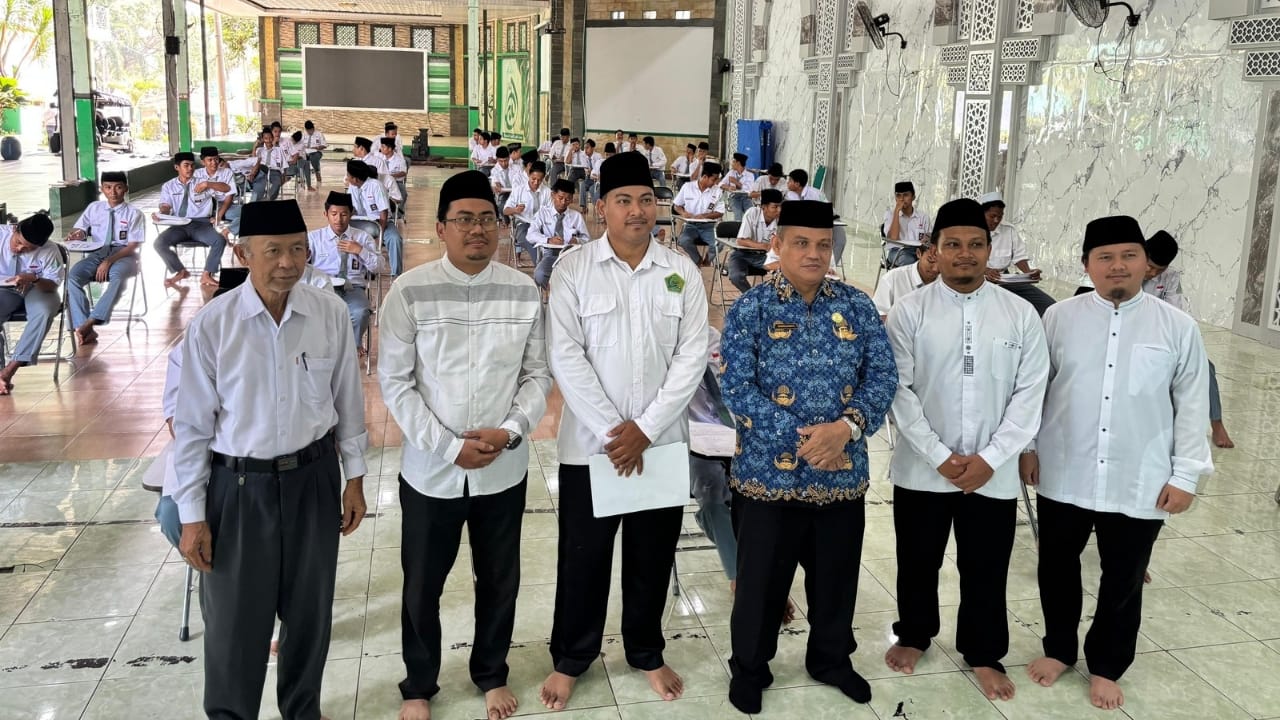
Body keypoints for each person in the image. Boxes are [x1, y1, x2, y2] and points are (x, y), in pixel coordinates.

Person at [171, 199, 369, 720]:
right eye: (274, 251)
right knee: (236, 622)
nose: (288, 262)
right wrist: (191, 516)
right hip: (239, 489)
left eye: (298, 250)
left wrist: (354, 477)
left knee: (309, 616)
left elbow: (348, 400)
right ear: (244, 254)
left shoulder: (328, 313)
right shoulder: (214, 325)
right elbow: (191, 429)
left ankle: (302, 711)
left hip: (313, 480)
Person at [1021, 215, 1213, 711]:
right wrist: (1029, 447)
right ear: (1086, 264)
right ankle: (1059, 649)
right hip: (1065, 467)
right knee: (1056, 567)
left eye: (1129, 255)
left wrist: (1186, 474)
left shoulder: (1177, 327)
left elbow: (1192, 405)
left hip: (1140, 475)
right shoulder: (1058, 318)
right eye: (1104, 257)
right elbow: (1036, 389)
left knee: (1124, 576)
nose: (1117, 266)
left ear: (1147, 264)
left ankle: (1107, 664)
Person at [379, 170, 552, 720]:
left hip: (502, 469)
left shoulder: (523, 291)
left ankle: (491, 673)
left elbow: (537, 374)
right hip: (431, 473)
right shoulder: (409, 291)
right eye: (464, 220)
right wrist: (447, 446)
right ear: (440, 229)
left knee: (499, 580)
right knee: (421, 586)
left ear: (499, 226)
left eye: (486, 219)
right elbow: (396, 383)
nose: (477, 229)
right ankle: (418, 685)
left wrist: (511, 430)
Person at [541, 151, 709, 710]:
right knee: (583, 558)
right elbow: (565, 356)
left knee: (651, 557)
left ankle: (645, 652)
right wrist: (618, 431)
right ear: (601, 208)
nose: (637, 210)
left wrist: (648, 428)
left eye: (645, 199)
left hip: (660, 447)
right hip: (592, 448)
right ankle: (572, 658)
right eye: (623, 200)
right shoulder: (573, 270)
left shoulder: (680, 271)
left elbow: (691, 357)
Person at [720, 200, 898, 715]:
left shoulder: (857, 306)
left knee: (836, 581)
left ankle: (831, 660)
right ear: (777, 245)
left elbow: (882, 376)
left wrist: (845, 430)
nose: (814, 254)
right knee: (760, 586)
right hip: (767, 479)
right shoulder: (752, 308)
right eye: (801, 243)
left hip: (841, 477)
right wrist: (809, 441)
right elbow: (737, 388)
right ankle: (750, 667)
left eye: (823, 244)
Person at [882, 198, 1050, 701]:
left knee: (986, 567)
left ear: (989, 249)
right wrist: (938, 454)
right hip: (922, 467)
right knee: (918, 560)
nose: (964, 254)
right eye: (952, 244)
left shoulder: (1020, 314)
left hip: (992, 471)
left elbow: (1030, 393)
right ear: (933, 249)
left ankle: (984, 651)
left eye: (975, 244)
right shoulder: (910, 312)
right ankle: (914, 634)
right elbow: (898, 390)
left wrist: (992, 458)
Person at [1143, 230, 1233, 449]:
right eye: (1150, 266)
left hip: (1159, 335)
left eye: (1159, 270)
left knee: (1204, 365)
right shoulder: (1126, 269)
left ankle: (1217, 423)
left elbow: (1176, 313)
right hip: (1129, 335)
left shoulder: (1171, 277)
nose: (1152, 273)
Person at [64, 171, 145, 345]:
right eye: (108, 187)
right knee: (72, 277)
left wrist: (109, 261)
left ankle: (91, 321)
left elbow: (133, 245)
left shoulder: (134, 213)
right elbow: (81, 229)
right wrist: (77, 234)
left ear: (126, 189)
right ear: (102, 189)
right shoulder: (94, 208)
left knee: (117, 277)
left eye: (118, 187)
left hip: (125, 254)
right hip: (97, 252)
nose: (113, 192)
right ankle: (83, 326)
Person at [307, 192, 384, 350]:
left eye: (343, 214)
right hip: (322, 287)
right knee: (311, 313)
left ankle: (352, 347)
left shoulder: (362, 238)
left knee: (361, 312)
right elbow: (301, 267)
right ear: (326, 214)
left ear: (351, 214)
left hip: (352, 287)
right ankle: (323, 349)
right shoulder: (314, 238)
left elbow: (379, 267)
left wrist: (360, 251)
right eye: (334, 214)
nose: (338, 219)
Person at [0, 213, 60, 395]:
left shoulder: (49, 250)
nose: (19, 249)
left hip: (38, 287)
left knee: (44, 310)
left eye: (28, 248)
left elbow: (52, 284)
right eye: (18, 242)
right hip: (3, 289)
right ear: (15, 229)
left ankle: (9, 370)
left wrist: (33, 279)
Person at [154, 151, 227, 288]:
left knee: (219, 240)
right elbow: (165, 206)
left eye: (192, 165)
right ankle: (180, 271)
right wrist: (161, 213)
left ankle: (207, 274)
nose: (190, 168)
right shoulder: (168, 186)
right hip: (179, 225)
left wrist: (208, 184)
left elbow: (226, 188)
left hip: (201, 224)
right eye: (186, 165)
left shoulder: (202, 182)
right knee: (159, 243)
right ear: (177, 167)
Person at [978, 191, 1056, 317]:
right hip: (978, 281)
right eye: (992, 216)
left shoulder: (1008, 230)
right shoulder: (969, 232)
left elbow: (1019, 256)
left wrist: (1028, 273)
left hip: (1004, 280)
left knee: (1049, 306)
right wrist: (986, 271)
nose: (996, 220)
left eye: (1000, 216)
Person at [528, 178, 590, 292]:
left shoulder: (576, 216)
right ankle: (557, 292)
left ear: (572, 199)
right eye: (560, 198)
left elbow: (586, 239)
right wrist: (548, 240)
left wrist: (577, 240)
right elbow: (530, 235)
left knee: (586, 277)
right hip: (550, 254)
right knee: (540, 275)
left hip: (571, 256)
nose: (563, 202)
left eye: (567, 199)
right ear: (553, 195)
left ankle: (564, 293)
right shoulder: (543, 213)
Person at [346, 159, 405, 276]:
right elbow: (351, 208)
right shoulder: (352, 187)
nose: (347, 178)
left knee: (395, 239)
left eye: (348, 175)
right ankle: (353, 272)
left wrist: (380, 234)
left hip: (380, 223)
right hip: (360, 224)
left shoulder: (376, 185)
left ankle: (396, 275)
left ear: (355, 179)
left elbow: (383, 212)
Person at [727, 188, 782, 293]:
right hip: (742, 254)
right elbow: (741, 241)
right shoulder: (752, 213)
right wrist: (764, 246)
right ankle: (752, 297)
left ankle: (776, 297)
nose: (779, 210)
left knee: (786, 271)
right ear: (764, 207)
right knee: (736, 276)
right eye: (775, 207)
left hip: (765, 256)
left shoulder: (782, 219)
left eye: (780, 206)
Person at [872, 240, 939, 320]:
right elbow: (876, 317)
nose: (936, 269)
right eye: (931, 261)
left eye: (941, 263)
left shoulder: (947, 283)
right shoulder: (892, 279)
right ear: (919, 253)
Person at [673, 162, 725, 265]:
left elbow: (720, 212)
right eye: (713, 179)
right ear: (705, 177)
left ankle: (707, 259)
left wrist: (704, 216)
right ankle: (697, 259)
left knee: (719, 244)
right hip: (690, 225)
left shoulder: (717, 191)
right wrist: (683, 212)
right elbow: (676, 205)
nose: (715, 182)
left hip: (708, 226)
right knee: (683, 241)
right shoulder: (687, 187)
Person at [503, 161, 550, 267]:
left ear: (543, 178)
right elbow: (505, 210)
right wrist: (515, 210)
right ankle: (541, 268)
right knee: (531, 240)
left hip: (542, 226)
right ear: (529, 175)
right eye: (533, 179)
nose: (536, 182)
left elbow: (551, 212)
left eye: (539, 180)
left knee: (554, 240)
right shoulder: (519, 190)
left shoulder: (547, 192)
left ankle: (546, 268)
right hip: (523, 226)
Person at [192, 146, 239, 239]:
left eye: (216, 159)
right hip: (203, 210)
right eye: (210, 160)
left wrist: (219, 215)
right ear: (203, 162)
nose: (214, 162)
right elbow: (194, 196)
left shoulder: (227, 172)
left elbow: (229, 196)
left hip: (225, 207)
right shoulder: (196, 174)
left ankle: (226, 231)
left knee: (250, 214)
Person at [883, 181, 930, 267]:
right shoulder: (890, 215)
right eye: (898, 195)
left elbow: (930, 237)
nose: (901, 199)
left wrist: (927, 239)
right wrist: (896, 212)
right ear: (895, 198)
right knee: (908, 260)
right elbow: (893, 237)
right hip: (897, 251)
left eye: (905, 195)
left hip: (918, 251)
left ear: (913, 197)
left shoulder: (923, 217)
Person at [247, 127, 286, 201]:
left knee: (277, 182)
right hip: (262, 172)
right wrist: (254, 147)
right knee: (259, 186)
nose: (268, 140)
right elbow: (253, 161)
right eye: (266, 138)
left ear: (273, 138)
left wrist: (284, 176)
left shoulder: (279, 150)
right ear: (262, 139)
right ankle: (254, 202)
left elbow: (284, 165)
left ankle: (267, 200)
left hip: (274, 171)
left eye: (270, 138)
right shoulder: (259, 150)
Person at [721, 153, 756, 220]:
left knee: (751, 214)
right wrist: (728, 187)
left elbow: (749, 189)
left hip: (746, 197)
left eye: (733, 162)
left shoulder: (750, 175)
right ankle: (738, 226)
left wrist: (736, 182)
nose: (732, 164)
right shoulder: (731, 173)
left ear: (738, 163)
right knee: (738, 214)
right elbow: (721, 184)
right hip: (734, 197)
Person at [381, 136, 410, 211]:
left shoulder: (399, 160)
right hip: (381, 182)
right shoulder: (379, 158)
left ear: (390, 149)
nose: (381, 149)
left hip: (396, 182)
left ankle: (398, 212)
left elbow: (403, 172)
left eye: (383, 147)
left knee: (403, 193)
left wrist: (391, 176)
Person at [300, 120, 327, 190]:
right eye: (308, 131)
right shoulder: (303, 134)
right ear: (306, 129)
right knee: (301, 160)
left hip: (316, 152)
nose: (310, 132)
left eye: (311, 130)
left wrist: (319, 147)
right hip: (305, 152)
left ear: (313, 128)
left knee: (313, 158)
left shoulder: (319, 134)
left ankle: (317, 172)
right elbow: (298, 144)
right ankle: (301, 177)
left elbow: (324, 145)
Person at [577, 139, 602, 209]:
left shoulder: (598, 156)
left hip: (597, 179)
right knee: (582, 184)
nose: (585, 150)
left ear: (593, 148)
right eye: (584, 148)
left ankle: (596, 206)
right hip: (589, 178)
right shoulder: (583, 156)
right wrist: (590, 172)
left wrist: (592, 172)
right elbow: (586, 169)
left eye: (587, 148)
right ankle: (583, 206)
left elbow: (599, 171)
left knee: (591, 188)